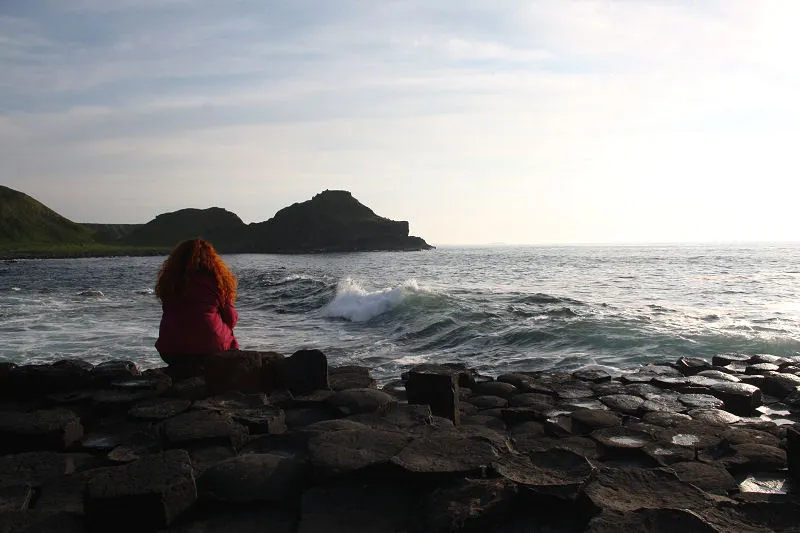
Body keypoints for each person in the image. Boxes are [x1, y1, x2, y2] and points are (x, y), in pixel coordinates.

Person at [155, 238, 240, 365]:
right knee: (227, 334)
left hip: (170, 350)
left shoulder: (169, 281)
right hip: (209, 349)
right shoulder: (217, 281)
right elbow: (231, 319)